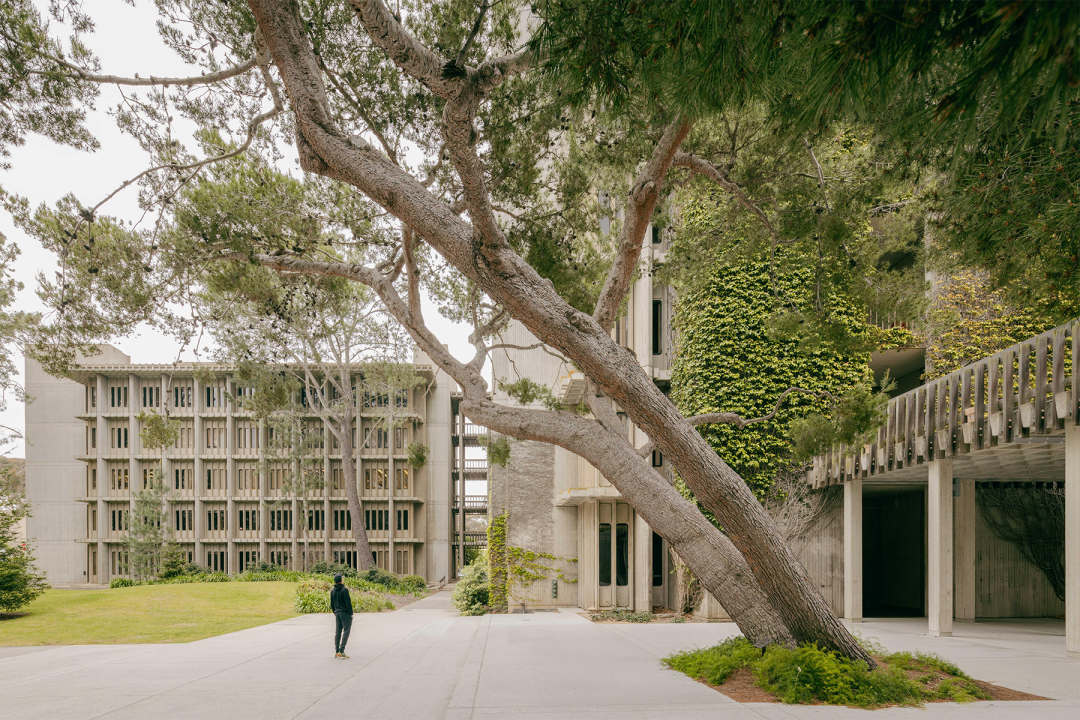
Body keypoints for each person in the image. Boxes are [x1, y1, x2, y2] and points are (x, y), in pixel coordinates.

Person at [330, 574, 353, 659]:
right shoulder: (344, 590)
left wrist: (335, 613)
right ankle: (341, 650)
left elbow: (332, 604)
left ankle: (337, 651)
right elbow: (348, 603)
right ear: (341, 580)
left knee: (338, 632)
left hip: (337, 613)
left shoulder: (332, 591)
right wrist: (351, 613)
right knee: (346, 631)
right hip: (345, 613)